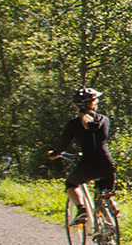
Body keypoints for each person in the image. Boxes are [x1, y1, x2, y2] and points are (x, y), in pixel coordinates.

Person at [49, 87, 116, 225]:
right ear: (93, 103)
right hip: (107, 164)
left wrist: (54, 154)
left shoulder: (73, 124)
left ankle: (82, 209)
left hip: (88, 164)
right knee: (103, 192)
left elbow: (63, 144)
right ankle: (109, 218)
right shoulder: (104, 120)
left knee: (71, 183)